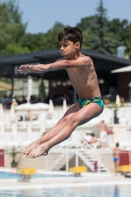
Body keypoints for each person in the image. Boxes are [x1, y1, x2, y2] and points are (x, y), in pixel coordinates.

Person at [18, 26, 104, 158]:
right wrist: (32, 68)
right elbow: (48, 67)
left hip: (95, 103)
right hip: (81, 102)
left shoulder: (86, 61)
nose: (62, 48)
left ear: (77, 45)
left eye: (65, 45)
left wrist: (47, 66)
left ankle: (46, 147)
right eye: (60, 45)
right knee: (63, 121)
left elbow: (60, 66)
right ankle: (39, 142)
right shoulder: (63, 61)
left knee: (72, 121)